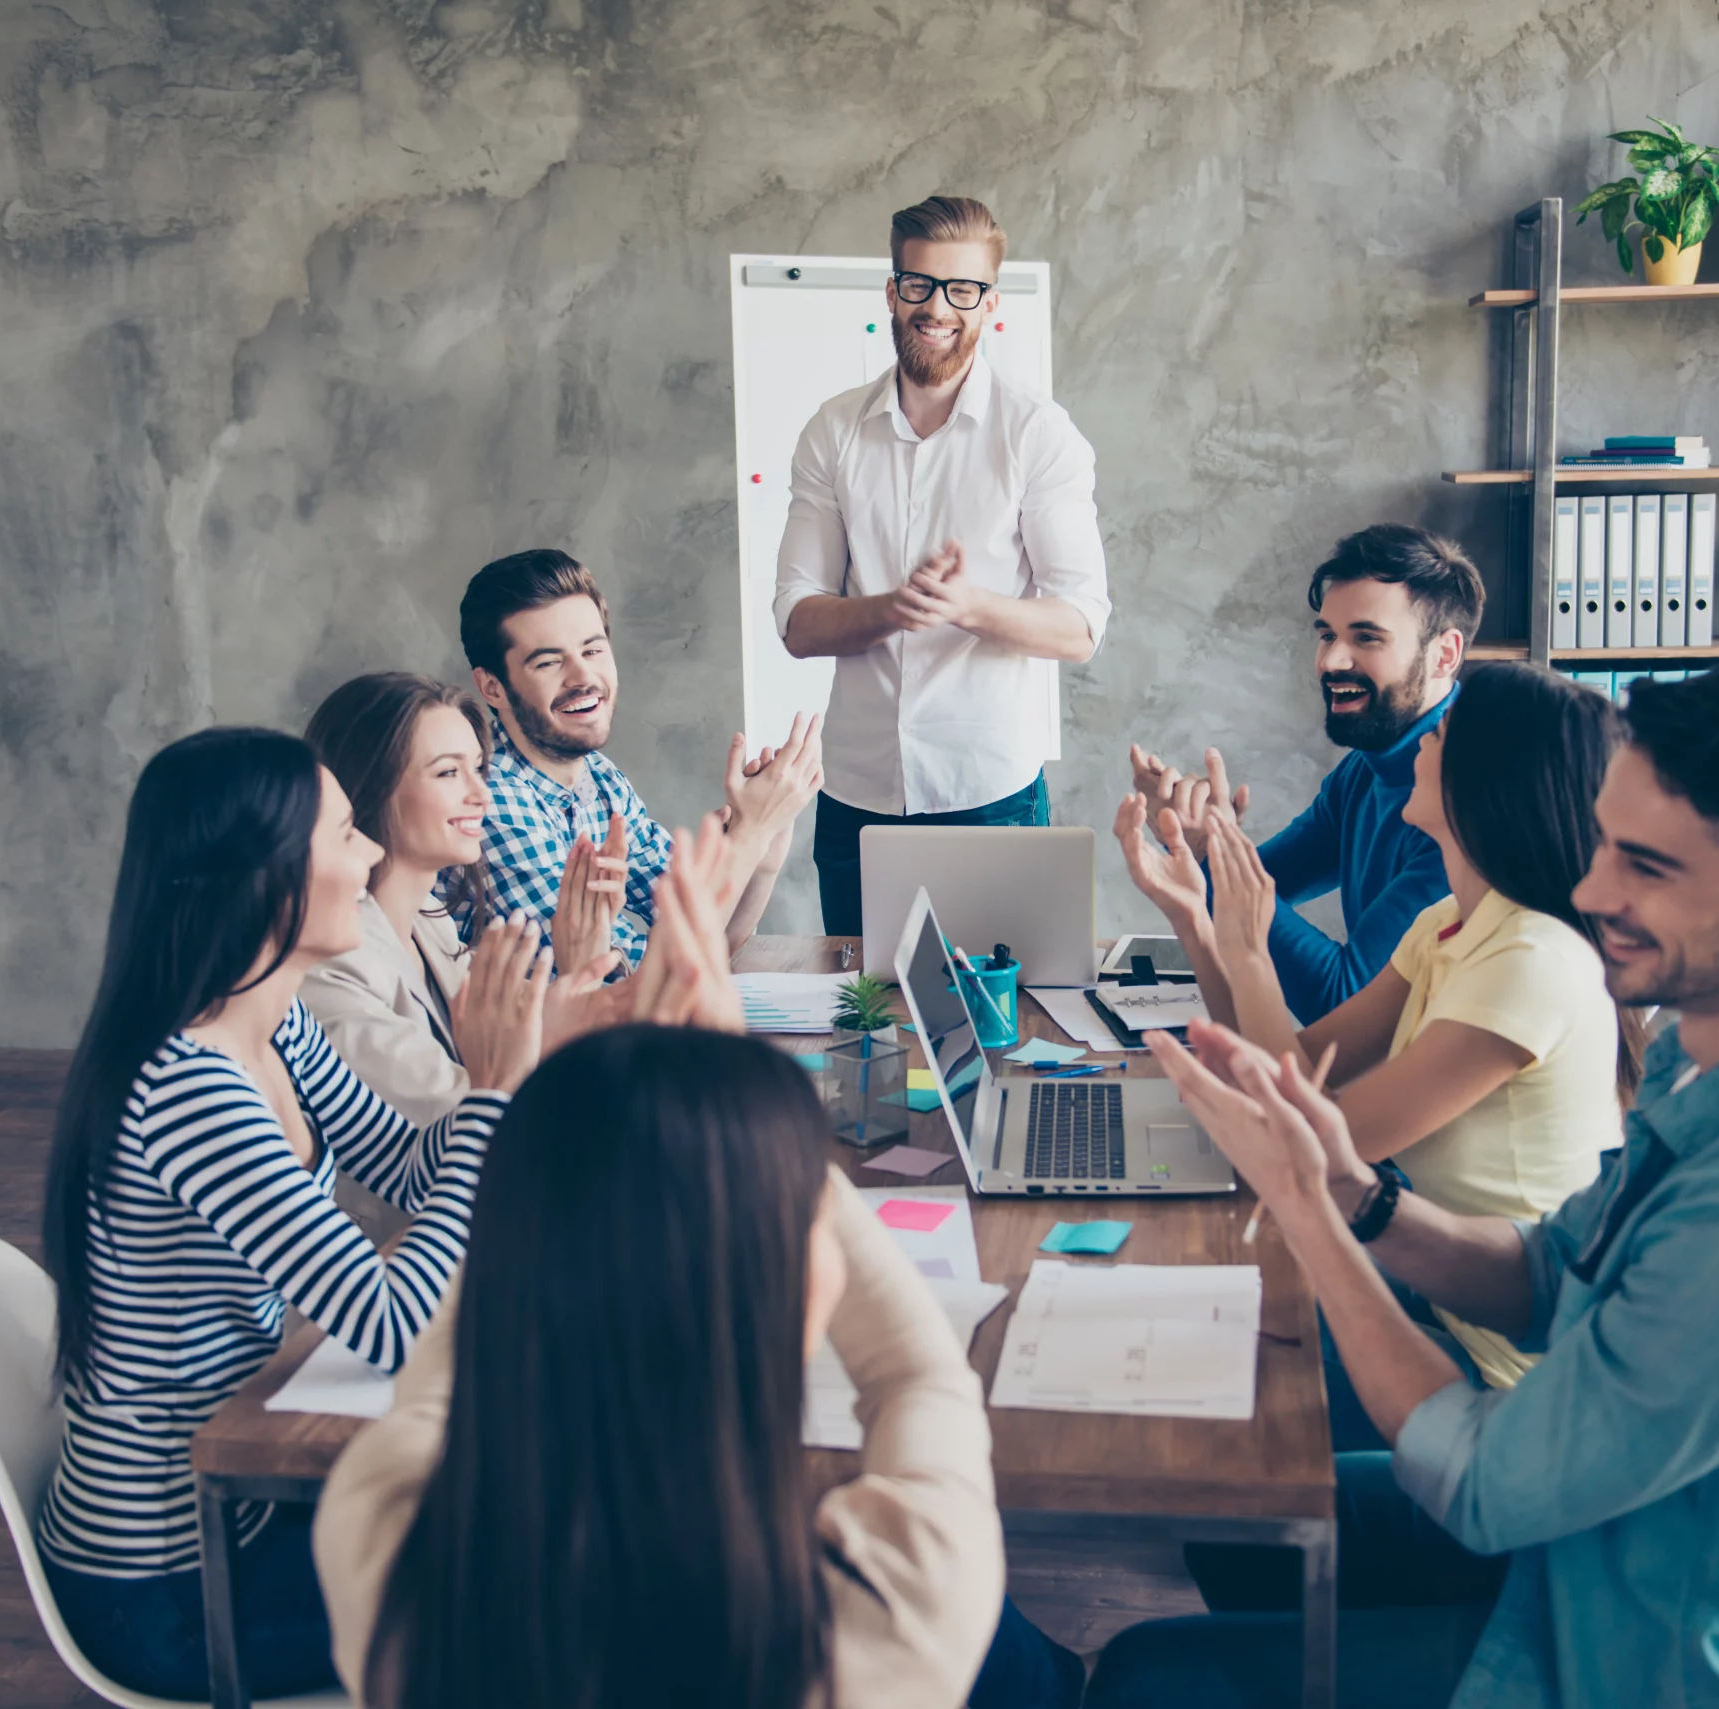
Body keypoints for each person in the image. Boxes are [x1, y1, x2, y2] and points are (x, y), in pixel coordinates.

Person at [1089, 660, 1719, 1709]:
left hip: (1609, 1645)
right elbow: (1549, 1267)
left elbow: (1485, 1481)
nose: (1590, 893)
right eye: (1602, 846)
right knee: (1237, 1531)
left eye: (1646, 866)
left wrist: (1310, 1210)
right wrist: (1358, 1195)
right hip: (1582, 1522)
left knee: (1142, 1677)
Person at [314, 835, 1076, 1709]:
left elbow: (444, 1372)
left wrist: (511, 1093)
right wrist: (742, 1103)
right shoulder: (890, 1613)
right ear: (795, 1297)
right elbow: (914, 1372)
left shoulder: (383, 1547)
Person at [34, 727, 554, 1700]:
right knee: (545, 1587)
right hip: (173, 1587)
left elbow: (405, 1164)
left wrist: (506, 1079)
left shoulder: (274, 1021)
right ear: (269, 877)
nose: (370, 857)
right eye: (349, 833)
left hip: (248, 1508)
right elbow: (396, 1323)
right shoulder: (186, 1081)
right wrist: (488, 1091)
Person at [1118, 662, 1635, 1430]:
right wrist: (1197, 918)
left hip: (1501, 1369)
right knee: (1187, 1312)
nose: (1426, 744)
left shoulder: (1533, 960)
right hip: (1435, 1298)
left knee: (1201, 1368)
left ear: (1487, 781)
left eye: (1447, 734)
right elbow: (1293, 1062)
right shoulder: (1447, 927)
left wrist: (1253, 949)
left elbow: (1321, 1133)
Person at [773, 194, 1112, 934]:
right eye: (921, 285)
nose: (939, 308)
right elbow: (797, 619)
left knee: (1000, 1029)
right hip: (857, 798)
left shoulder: (1038, 435)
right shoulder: (833, 431)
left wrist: (969, 606)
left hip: (991, 794)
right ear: (893, 292)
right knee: (865, 1025)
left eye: (963, 290)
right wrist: (892, 608)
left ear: (989, 304)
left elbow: (1081, 625)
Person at [1129, 525, 1477, 1021]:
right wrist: (1198, 841)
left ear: (1444, 654)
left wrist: (1218, 854)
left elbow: (1342, 999)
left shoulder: (1471, 805)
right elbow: (1252, 892)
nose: (1330, 661)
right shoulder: (1363, 770)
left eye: (1366, 638)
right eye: (1327, 635)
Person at [459, 546, 822, 968]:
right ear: (492, 688)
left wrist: (763, 854)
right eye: (548, 662)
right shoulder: (488, 801)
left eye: (592, 651)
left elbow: (708, 939)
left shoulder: (599, 778)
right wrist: (750, 834)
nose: (583, 678)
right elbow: (639, 986)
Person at [300, 672, 626, 1127]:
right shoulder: (329, 968)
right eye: (449, 772)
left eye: (479, 769)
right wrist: (550, 1032)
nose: (481, 795)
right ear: (368, 788)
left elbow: (510, 1053)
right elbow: (459, 1119)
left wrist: (582, 958)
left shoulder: (429, 922)